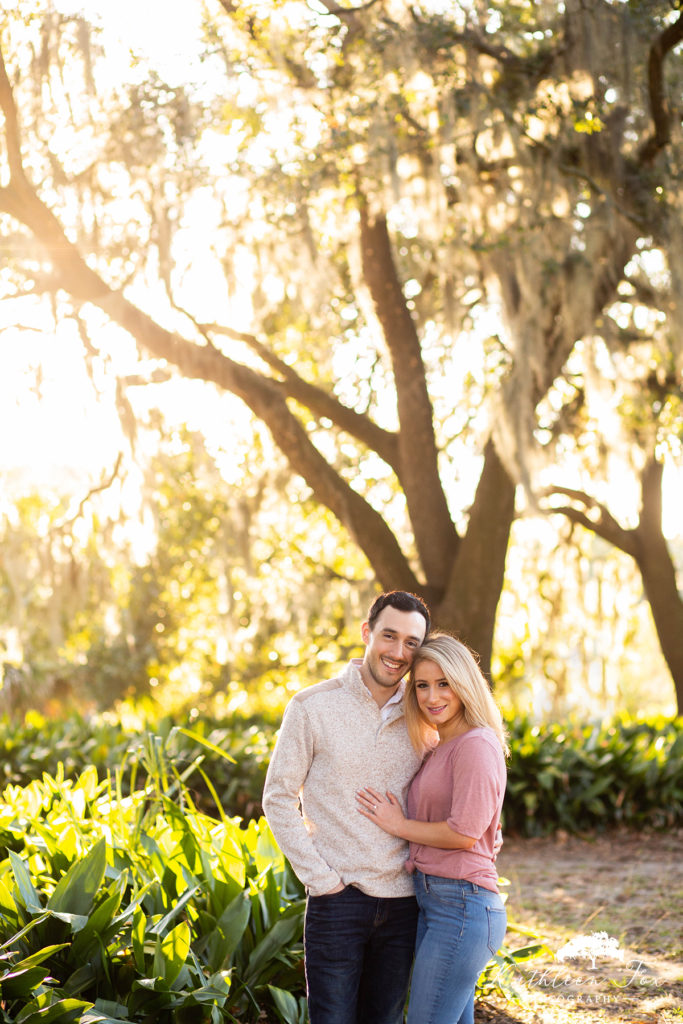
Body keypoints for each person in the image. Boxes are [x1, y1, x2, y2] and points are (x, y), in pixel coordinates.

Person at [262, 590, 431, 1024]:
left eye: (411, 643)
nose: (398, 652)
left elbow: (454, 784)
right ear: (366, 632)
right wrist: (322, 881)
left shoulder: (426, 713)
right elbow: (278, 798)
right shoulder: (311, 706)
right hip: (337, 901)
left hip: (404, 904)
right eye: (389, 636)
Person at [357, 632, 509, 1024]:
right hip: (438, 901)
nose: (432, 696)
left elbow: (464, 833)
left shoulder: (475, 744)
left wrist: (399, 825)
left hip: (461, 905)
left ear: (464, 684)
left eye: (444, 684)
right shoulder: (443, 745)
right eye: (422, 685)